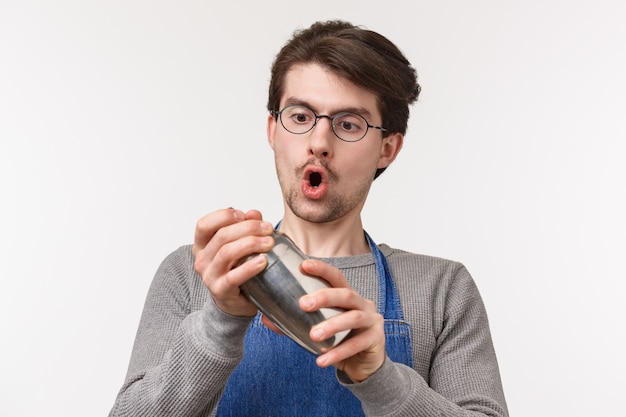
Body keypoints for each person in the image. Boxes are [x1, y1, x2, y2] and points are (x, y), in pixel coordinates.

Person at [109, 20, 508, 417]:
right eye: (300, 117)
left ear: (387, 149)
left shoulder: (443, 290)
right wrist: (222, 319)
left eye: (348, 124)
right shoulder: (196, 272)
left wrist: (380, 378)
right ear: (273, 130)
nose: (319, 143)